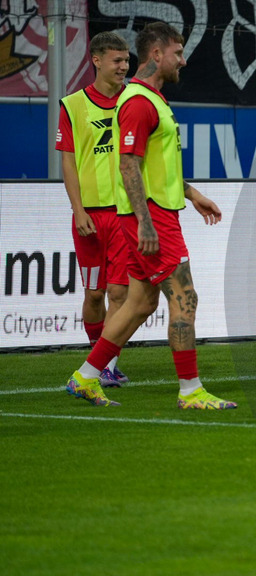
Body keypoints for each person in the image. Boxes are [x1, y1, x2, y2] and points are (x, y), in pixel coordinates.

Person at [64, 21, 236, 410]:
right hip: (152, 218)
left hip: (158, 213)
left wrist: (192, 194)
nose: (183, 60)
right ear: (156, 54)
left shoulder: (152, 100)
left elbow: (155, 166)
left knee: (141, 303)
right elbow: (128, 165)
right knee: (185, 296)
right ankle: (191, 390)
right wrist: (144, 221)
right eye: (177, 52)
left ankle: (85, 378)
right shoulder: (140, 102)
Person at [56, 31, 133, 388]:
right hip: (89, 215)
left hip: (123, 215)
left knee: (120, 293)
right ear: (97, 61)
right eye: (117, 60)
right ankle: (96, 353)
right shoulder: (72, 105)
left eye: (127, 60)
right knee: (94, 294)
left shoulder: (134, 100)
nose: (124, 66)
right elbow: (68, 162)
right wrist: (78, 209)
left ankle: (106, 365)